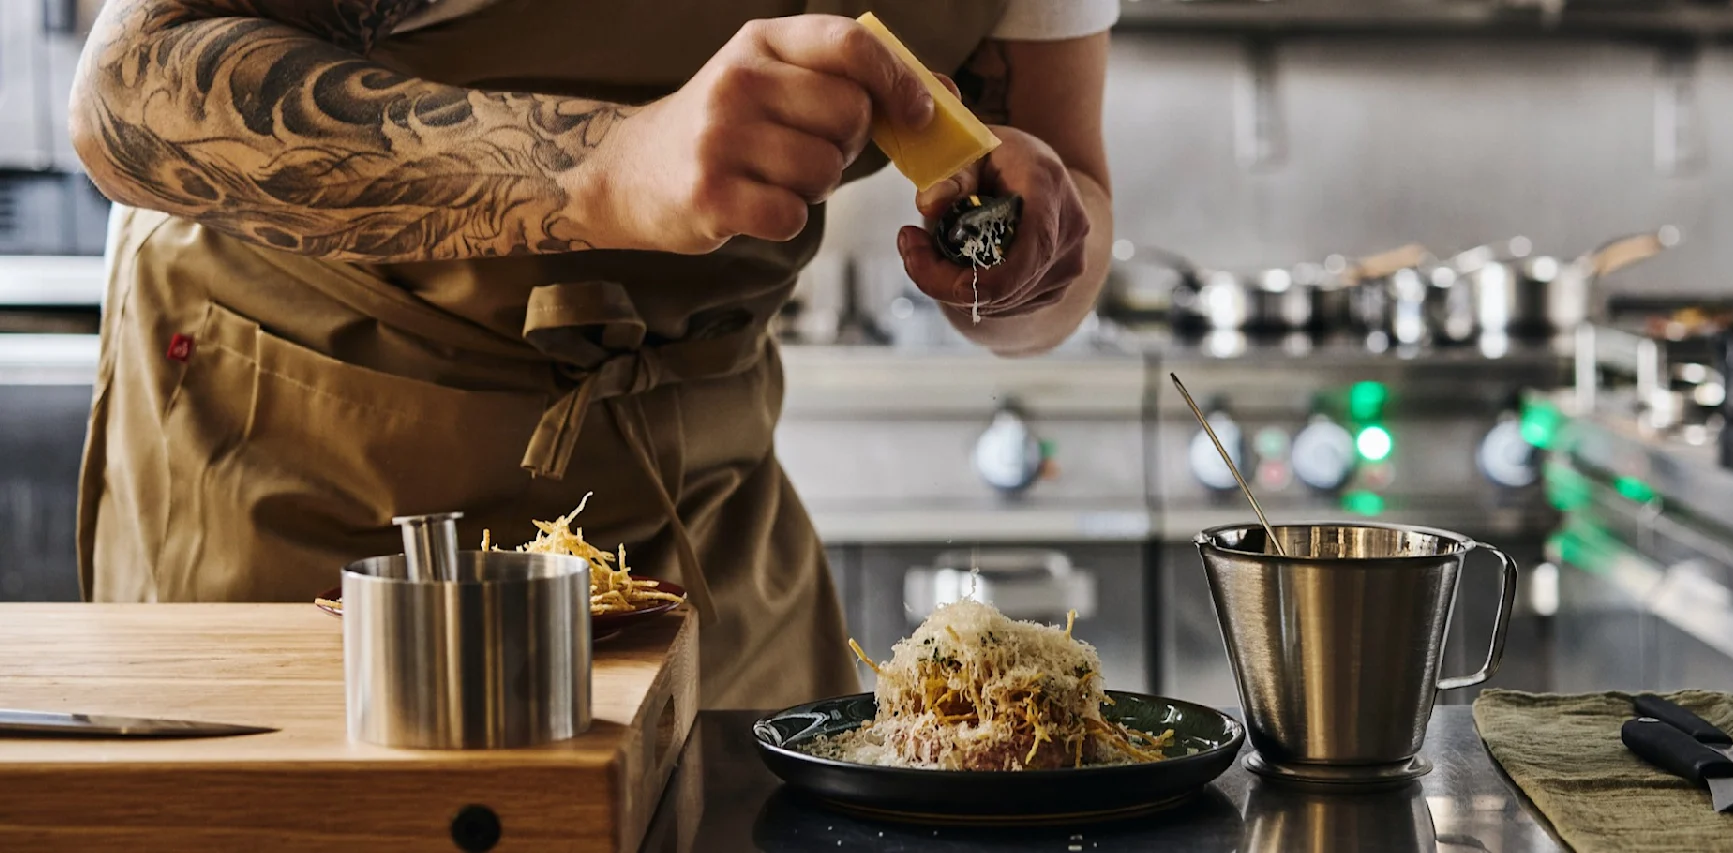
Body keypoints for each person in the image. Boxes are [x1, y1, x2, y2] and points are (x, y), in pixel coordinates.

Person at [66, 0, 1115, 709]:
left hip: (699, 509)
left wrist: (1022, 258)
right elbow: (126, 91)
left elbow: (1068, 201)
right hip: (305, 461)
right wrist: (605, 166)